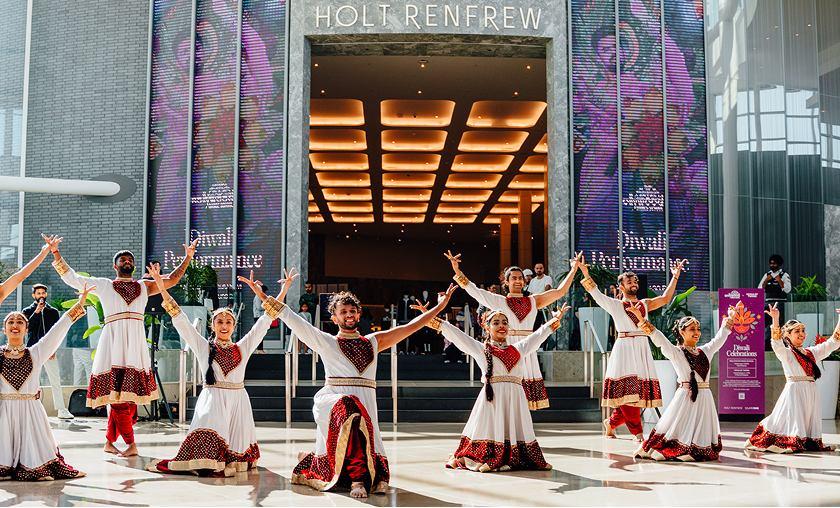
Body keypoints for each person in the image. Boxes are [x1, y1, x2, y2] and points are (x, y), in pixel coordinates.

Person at [263, 267, 455, 499]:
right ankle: (357, 480)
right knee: (350, 407)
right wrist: (271, 294)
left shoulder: (374, 342)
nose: (349, 315)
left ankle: (329, 464)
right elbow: (292, 320)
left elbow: (409, 328)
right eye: (343, 312)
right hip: (334, 401)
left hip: (365, 403)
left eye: (352, 310)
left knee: (357, 424)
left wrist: (440, 307)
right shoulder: (326, 342)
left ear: (360, 313)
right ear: (334, 318)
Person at [49, 235, 198, 457]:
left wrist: (187, 258)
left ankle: (110, 442)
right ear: (115, 265)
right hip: (113, 342)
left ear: (134, 265)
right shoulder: (104, 285)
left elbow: (172, 280)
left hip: (136, 343)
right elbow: (72, 278)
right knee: (118, 399)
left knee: (129, 401)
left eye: (130, 259)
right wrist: (55, 253)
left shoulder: (144, 286)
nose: (127, 261)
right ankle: (131, 444)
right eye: (122, 259)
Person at [145, 267, 271, 476]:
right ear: (212, 326)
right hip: (213, 398)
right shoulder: (204, 347)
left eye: (228, 322)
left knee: (238, 456)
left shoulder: (243, 347)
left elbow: (264, 323)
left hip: (238, 400)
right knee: (206, 453)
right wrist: (160, 285)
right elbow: (181, 320)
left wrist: (266, 294)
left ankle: (227, 460)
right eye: (219, 322)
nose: (224, 326)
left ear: (234, 325)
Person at [425, 300, 569, 472]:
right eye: (496, 323)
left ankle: (525, 457)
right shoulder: (481, 349)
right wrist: (432, 317)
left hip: (515, 397)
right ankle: (491, 458)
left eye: (505, 322)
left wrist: (555, 320)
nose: (502, 326)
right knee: (491, 427)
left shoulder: (519, 348)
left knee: (519, 427)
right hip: (493, 397)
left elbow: (537, 336)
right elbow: (458, 336)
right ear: (487, 328)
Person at [445, 250, 579, 410]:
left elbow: (560, 292)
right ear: (506, 282)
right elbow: (473, 290)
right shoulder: (498, 301)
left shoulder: (533, 300)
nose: (517, 281)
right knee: (506, 394)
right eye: (513, 278)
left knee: (524, 404)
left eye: (520, 278)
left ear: (524, 282)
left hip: (527, 349)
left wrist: (574, 269)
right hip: (507, 348)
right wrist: (456, 270)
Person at [578, 253, 686, 441]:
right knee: (629, 393)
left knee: (635, 394)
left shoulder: (644, 304)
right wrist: (585, 272)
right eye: (629, 281)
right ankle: (637, 432)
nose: (633, 283)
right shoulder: (615, 305)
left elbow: (666, 298)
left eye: (635, 280)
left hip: (642, 347)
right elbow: (594, 292)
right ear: (621, 286)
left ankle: (611, 423)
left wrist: (675, 275)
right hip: (624, 348)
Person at [0, 282, 92, 480]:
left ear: (26, 329)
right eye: (11, 322)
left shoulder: (36, 352)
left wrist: (80, 303)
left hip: (30, 412)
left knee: (37, 466)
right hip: (3, 411)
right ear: (4, 329)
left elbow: (57, 331)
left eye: (20, 322)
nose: (15, 325)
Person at [633, 305, 736, 461]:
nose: (697, 333)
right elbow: (658, 338)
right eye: (692, 329)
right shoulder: (676, 352)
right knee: (679, 426)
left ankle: (696, 447)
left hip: (704, 396)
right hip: (685, 396)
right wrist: (641, 319)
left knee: (700, 427)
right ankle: (678, 447)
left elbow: (719, 338)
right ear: (682, 332)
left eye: (698, 329)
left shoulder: (705, 350)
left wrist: (730, 318)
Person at [745, 304, 840, 453]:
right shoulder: (786, 354)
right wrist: (775, 319)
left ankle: (807, 441)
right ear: (787, 335)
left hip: (811, 390)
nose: (802, 334)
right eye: (797, 331)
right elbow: (776, 343)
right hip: (795, 391)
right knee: (789, 419)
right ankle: (793, 440)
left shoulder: (811, 353)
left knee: (807, 418)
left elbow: (833, 343)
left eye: (803, 331)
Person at [21, 284, 73, 420]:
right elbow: (27, 329)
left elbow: (58, 331)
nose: (41, 296)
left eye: (43, 293)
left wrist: (53, 348)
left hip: (50, 351)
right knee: (32, 381)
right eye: (38, 293)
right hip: (32, 350)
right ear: (34, 295)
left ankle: (61, 410)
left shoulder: (53, 311)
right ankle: (30, 411)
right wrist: (37, 312)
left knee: (55, 380)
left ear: (46, 294)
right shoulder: (27, 311)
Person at [758, 254, 791, 350]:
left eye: (775, 264)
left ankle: (780, 345)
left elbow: (788, 290)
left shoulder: (784, 275)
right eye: (771, 264)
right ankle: (767, 345)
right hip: (768, 303)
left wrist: (780, 281)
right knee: (767, 325)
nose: (772, 265)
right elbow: (759, 288)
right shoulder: (767, 275)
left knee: (779, 324)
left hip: (780, 303)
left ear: (779, 264)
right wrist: (765, 281)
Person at [252, 283, 269, 353]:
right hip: (258, 316)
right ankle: (259, 349)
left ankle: (260, 349)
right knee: (260, 333)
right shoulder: (258, 296)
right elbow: (259, 307)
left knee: (260, 333)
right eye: (264, 292)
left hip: (258, 316)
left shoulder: (258, 296)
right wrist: (266, 307)